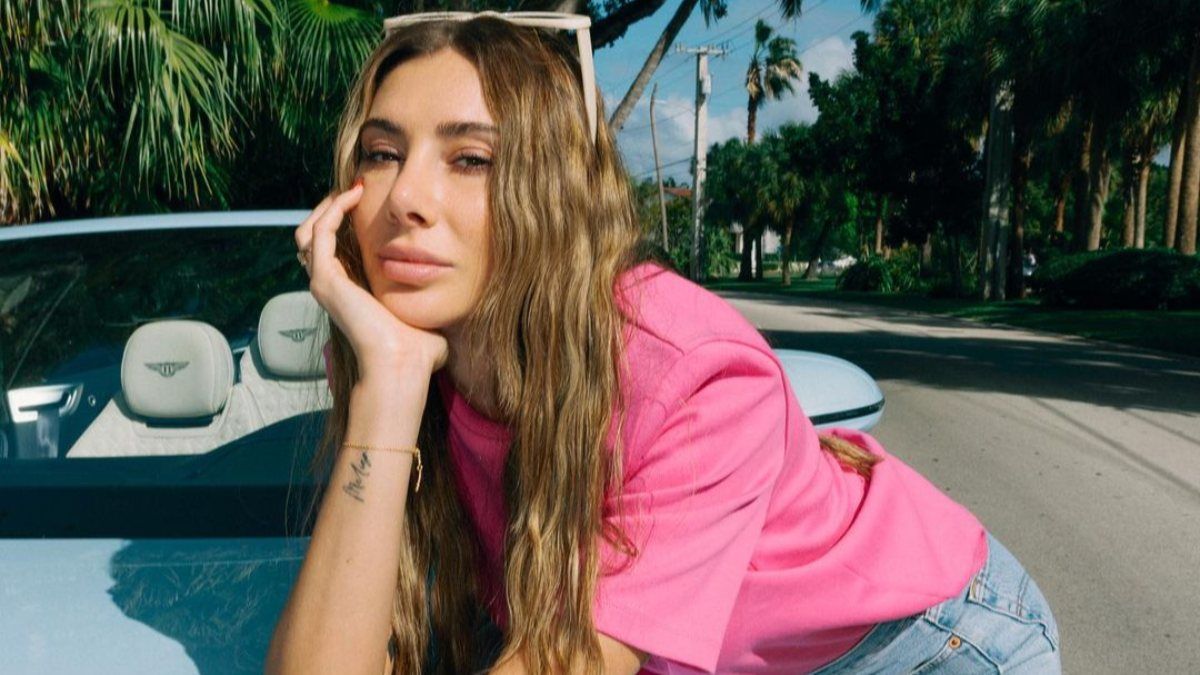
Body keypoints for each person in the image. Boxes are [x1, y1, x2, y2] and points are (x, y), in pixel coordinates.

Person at [266, 12, 1061, 675]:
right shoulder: (393, 350)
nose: (405, 196)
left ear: (553, 191)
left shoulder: (694, 371)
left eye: (471, 159)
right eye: (382, 152)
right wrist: (391, 382)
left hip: (920, 642)